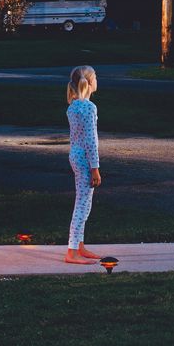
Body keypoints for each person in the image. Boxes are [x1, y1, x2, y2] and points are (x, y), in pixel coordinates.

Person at [64, 65, 104, 264]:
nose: (98, 80)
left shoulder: (73, 106)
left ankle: (79, 245)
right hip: (85, 159)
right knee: (82, 204)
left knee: (84, 202)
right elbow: (90, 140)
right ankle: (72, 251)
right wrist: (95, 168)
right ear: (88, 83)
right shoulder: (89, 108)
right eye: (95, 77)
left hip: (75, 155)